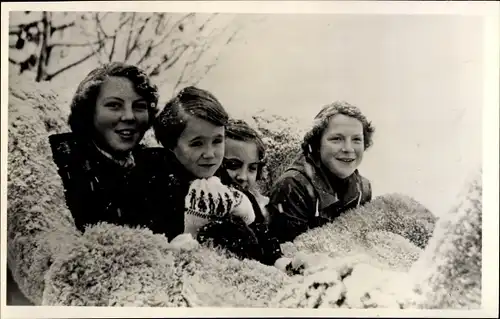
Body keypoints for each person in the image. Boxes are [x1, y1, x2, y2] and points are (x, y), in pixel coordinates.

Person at [49, 62, 167, 234]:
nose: (129, 116)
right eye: (114, 105)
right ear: (89, 111)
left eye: (139, 106)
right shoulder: (57, 159)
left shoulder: (158, 165)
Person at [151, 86, 256, 240]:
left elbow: (259, 229)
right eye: (197, 143)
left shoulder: (223, 178)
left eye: (217, 141)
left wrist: (278, 258)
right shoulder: (158, 183)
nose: (210, 154)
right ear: (171, 145)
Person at [267, 101, 374, 243]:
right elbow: (290, 255)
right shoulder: (293, 186)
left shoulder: (363, 188)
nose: (348, 148)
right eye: (337, 139)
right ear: (317, 144)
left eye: (356, 139)